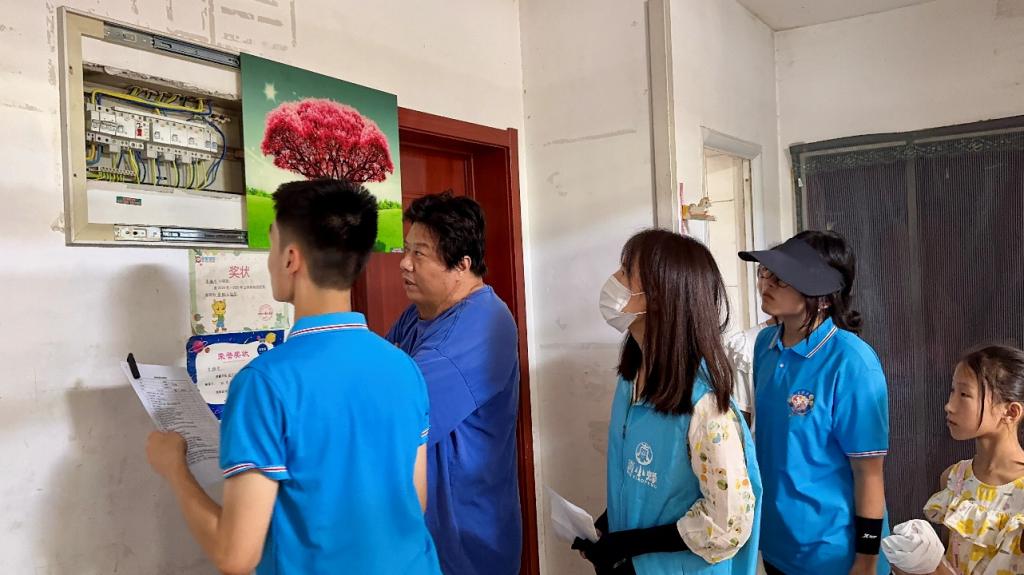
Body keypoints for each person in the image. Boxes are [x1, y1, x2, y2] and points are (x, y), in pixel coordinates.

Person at [145, 179, 441, 575]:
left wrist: (174, 468)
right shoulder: (404, 367)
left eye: (271, 247)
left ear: (290, 259)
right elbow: (414, 501)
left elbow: (236, 556)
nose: (269, 262)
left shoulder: (264, 383)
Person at [574, 229, 761, 574]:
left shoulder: (705, 406)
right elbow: (647, 481)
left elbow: (728, 524)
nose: (613, 280)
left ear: (659, 297)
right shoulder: (631, 381)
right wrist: (606, 528)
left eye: (626, 272)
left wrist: (630, 544)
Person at [739, 230, 890, 575]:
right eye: (766, 272)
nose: (766, 283)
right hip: (777, 543)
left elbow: (869, 472)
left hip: (834, 553)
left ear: (823, 298)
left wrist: (866, 561)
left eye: (782, 278)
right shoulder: (765, 345)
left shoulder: (853, 362)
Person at [387, 192, 522, 575]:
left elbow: (390, 416)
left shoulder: (478, 326)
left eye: (420, 254)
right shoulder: (419, 314)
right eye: (406, 249)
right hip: (430, 533)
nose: (405, 263)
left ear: (462, 264)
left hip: (465, 540)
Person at [916, 345, 1024, 575]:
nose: (949, 406)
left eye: (964, 394)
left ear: (1011, 412)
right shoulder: (954, 479)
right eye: (952, 391)